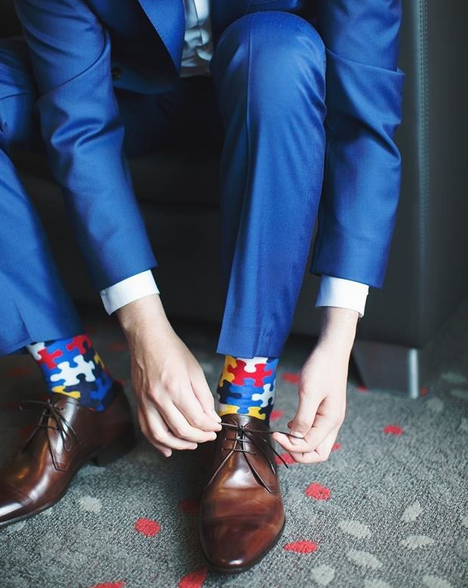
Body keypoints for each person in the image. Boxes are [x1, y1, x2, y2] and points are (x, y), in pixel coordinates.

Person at [0, 0, 404, 573]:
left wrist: (338, 337)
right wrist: (145, 329)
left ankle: (247, 400)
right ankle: (83, 387)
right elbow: (79, 123)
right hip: (124, 85)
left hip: (272, 86)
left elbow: (367, 117)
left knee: (279, 49)